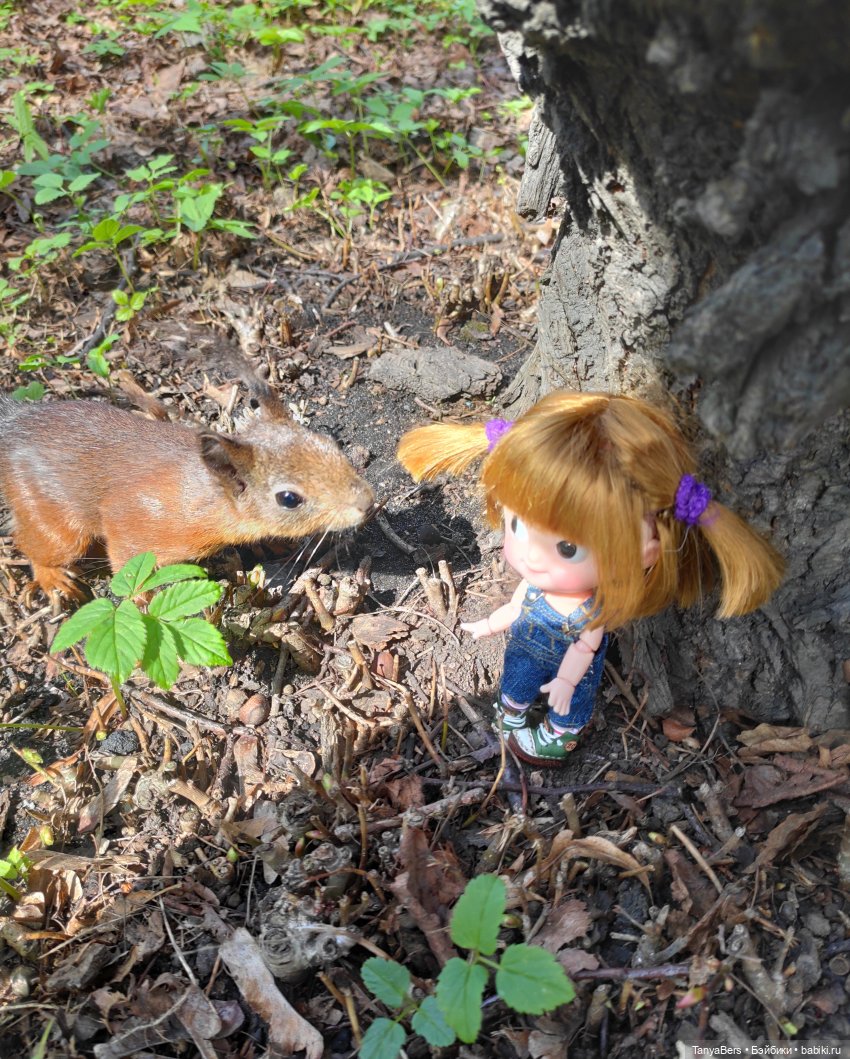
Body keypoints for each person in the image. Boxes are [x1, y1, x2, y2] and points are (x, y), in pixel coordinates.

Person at [397, 390, 785, 766]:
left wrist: (566, 682)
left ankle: (556, 736)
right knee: (516, 681)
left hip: (571, 667)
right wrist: (489, 623)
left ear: (645, 553)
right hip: (525, 651)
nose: (532, 555)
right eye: (516, 523)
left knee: (573, 702)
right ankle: (512, 714)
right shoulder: (536, 585)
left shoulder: (593, 609)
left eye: (568, 548)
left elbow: (584, 648)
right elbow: (518, 606)